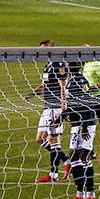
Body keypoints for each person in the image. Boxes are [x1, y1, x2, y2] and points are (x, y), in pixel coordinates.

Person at [22, 41, 69, 182]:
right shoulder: (47, 66)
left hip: (55, 107)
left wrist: (63, 107)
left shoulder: (59, 65)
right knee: (40, 138)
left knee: (54, 140)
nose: (42, 52)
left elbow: (63, 86)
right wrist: (31, 94)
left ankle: (53, 174)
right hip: (47, 106)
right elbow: (44, 85)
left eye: (45, 49)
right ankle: (67, 161)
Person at [61, 62, 100, 199]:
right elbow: (78, 104)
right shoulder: (82, 80)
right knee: (85, 158)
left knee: (74, 157)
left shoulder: (74, 82)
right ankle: (91, 196)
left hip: (82, 124)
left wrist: (83, 125)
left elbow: (85, 103)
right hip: (86, 122)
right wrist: (62, 116)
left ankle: (80, 196)